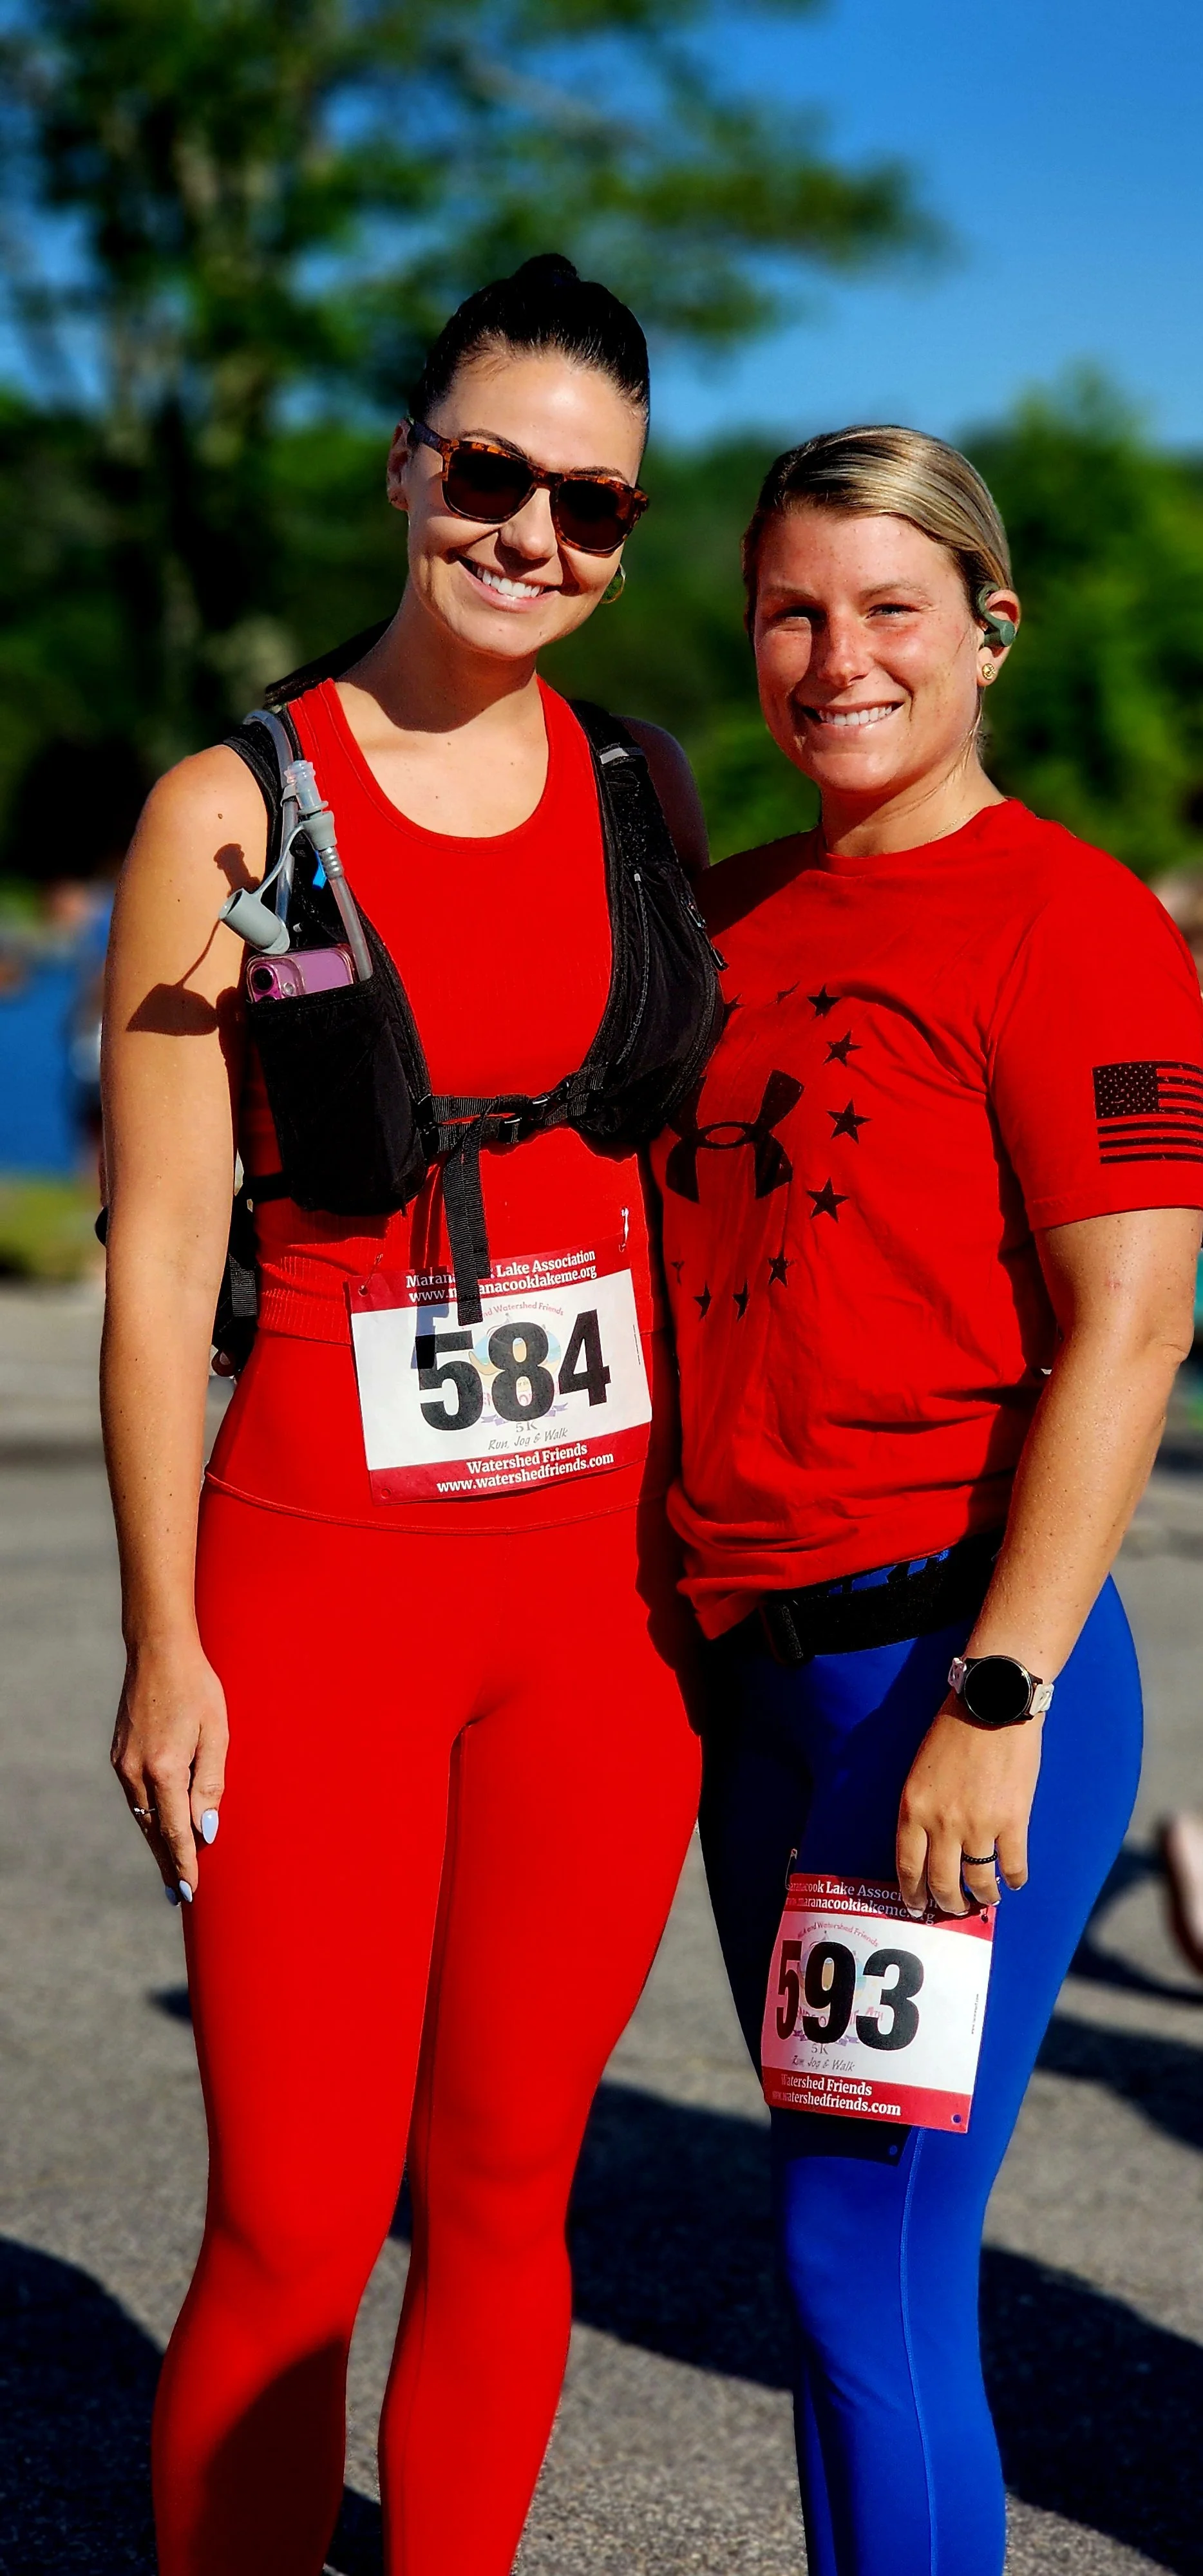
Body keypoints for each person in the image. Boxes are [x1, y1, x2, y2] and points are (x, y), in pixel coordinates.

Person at [101, 254, 716, 2576]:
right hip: (317, 1605)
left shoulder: (644, 788)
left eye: (593, 506)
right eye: (492, 474)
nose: (532, 536)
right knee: (289, 2220)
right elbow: (163, 1262)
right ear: (408, 467)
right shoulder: (232, 810)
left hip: (594, 1628)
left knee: (505, 2199)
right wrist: (167, 1642)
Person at [651, 424, 1203, 2576]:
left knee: (857, 2257)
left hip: (943, 1679)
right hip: (752, 1684)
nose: (835, 656)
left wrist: (996, 1688)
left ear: (987, 630)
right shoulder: (725, 920)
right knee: (833, 2257)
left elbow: (1131, 1331)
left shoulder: (1073, 924)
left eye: (890, 608)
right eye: (794, 609)